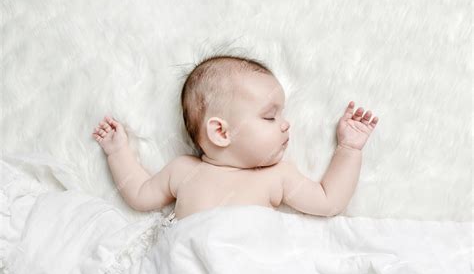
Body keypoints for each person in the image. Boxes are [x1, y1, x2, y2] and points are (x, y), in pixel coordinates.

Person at [92, 55, 378, 221]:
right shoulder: (184, 170)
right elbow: (140, 194)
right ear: (221, 132)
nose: (285, 125)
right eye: (270, 117)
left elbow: (329, 202)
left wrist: (349, 149)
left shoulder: (278, 176)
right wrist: (118, 152)